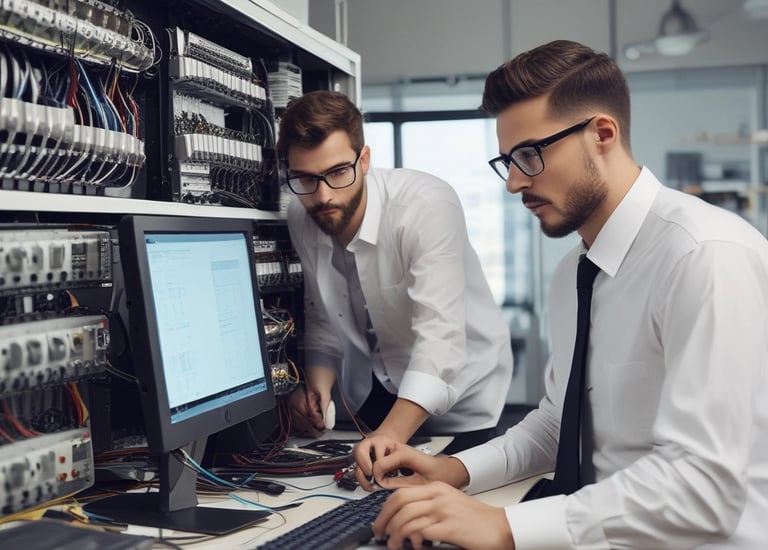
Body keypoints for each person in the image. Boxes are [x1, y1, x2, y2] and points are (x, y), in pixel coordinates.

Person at [362, 40, 768, 550]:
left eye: (529, 155)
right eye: (507, 160)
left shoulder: (705, 256)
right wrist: (451, 470)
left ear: (602, 133)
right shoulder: (575, 272)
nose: (513, 183)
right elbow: (559, 425)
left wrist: (503, 526)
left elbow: (704, 489)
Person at [276, 90, 514, 457]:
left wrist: (389, 436)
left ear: (365, 159)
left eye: (337, 172)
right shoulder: (301, 213)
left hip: (461, 401)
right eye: (305, 179)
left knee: (446, 503)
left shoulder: (425, 206)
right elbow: (322, 319)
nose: (322, 196)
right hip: (378, 395)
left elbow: (441, 341)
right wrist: (317, 388)